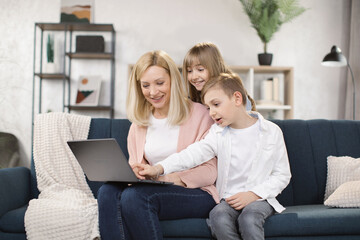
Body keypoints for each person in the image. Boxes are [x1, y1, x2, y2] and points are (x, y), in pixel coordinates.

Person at [137, 73, 291, 240]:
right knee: (218, 217)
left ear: (237, 99)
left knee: (249, 218)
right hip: (227, 199)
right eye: (208, 107)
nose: (211, 112)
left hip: (260, 198)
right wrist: (158, 168)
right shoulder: (217, 133)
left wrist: (253, 194)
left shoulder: (272, 131)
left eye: (216, 104)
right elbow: (192, 154)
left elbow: (282, 175)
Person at [97, 50, 219, 240]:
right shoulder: (138, 124)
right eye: (146, 85)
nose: (153, 92)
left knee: (134, 197)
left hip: (196, 192)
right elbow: (137, 164)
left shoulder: (201, 114)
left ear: (173, 81)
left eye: (160, 83)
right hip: (152, 188)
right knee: (106, 192)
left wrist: (164, 178)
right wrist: (134, 173)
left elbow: (210, 171)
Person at [183, 42, 256, 111]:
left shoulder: (232, 92)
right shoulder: (195, 98)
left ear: (215, 67)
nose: (194, 77)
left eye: (200, 69)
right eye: (189, 71)